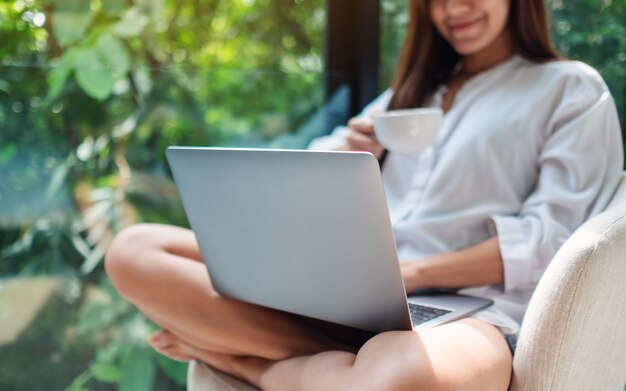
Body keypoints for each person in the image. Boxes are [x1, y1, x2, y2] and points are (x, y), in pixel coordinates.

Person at [105, 0, 624, 389]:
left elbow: (547, 243)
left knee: (392, 380)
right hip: (346, 297)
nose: (454, 9)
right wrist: (349, 150)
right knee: (134, 251)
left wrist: (410, 276)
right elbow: (297, 186)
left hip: (471, 313)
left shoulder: (569, 89)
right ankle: (330, 349)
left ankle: (252, 361)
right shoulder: (408, 97)